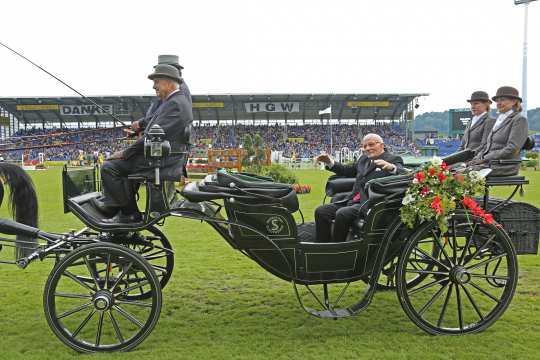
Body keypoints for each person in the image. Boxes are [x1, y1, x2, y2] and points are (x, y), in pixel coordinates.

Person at [91, 64, 193, 223]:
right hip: (164, 158)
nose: (154, 86)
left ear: (169, 82)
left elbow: (152, 137)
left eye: (157, 81)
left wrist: (125, 153)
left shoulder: (174, 103)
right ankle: (118, 206)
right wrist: (138, 126)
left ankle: (127, 213)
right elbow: (155, 125)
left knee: (110, 167)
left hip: (161, 162)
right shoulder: (174, 101)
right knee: (119, 165)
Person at [313, 133, 405, 243]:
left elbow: (402, 173)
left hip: (370, 204)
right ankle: (322, 245)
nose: (367, 148)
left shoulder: (393, 159)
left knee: (342, 213)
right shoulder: (363, 159)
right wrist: (329, 162)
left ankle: (338, 249)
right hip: (353, 200)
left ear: (382, 145)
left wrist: (391, 168)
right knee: (321, 211)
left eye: (371, 144)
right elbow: (347, 170)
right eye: (364, 146)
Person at [470, 86, 528, 176]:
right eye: (497, 101)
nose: (498, 103)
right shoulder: (499, 120)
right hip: (490, 163)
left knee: (462, 173)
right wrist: (477, 158)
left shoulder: (519, 120)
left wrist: (485, 157)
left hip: (505, 166)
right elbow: (487, 146)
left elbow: (512, 148)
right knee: (457, 169)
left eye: (502, 100)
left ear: (514, 101)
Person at [128, 54, 191, 137]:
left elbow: (162, 118)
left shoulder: (178, 91)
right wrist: (143, 128)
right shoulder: (173, 91)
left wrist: (140, 124)